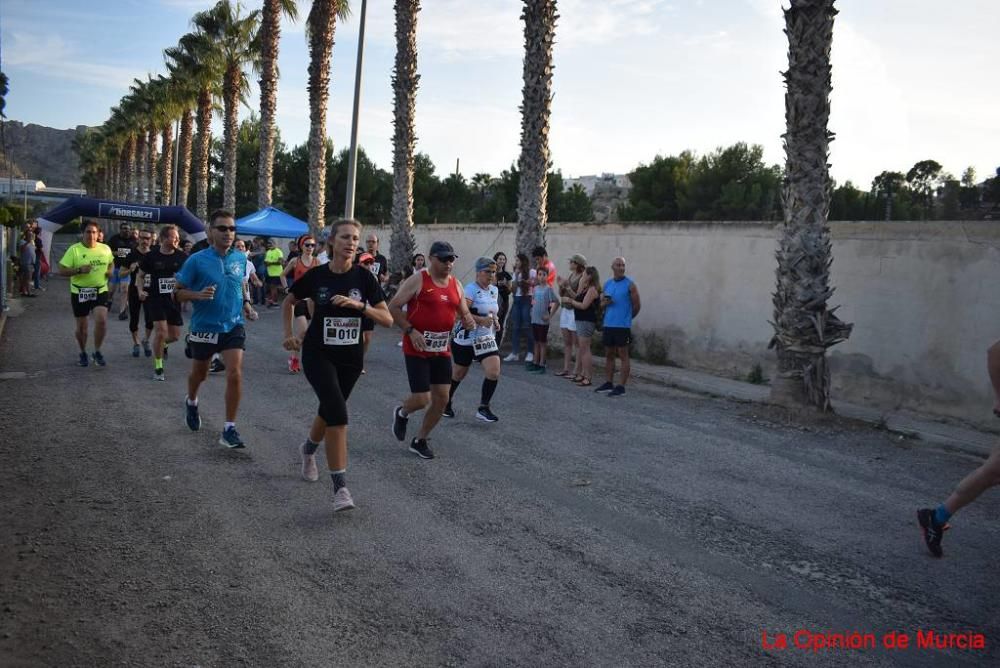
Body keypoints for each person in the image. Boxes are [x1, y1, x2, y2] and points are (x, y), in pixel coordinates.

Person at [282, 220, 392, 512]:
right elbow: (289, 302)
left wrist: (359, 307)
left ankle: (308, 450)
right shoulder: (317, 276)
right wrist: (289, 336)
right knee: (338, 413)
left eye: (355, 238)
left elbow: (387, 319)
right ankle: (340, 488)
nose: (352, 243)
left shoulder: (365, 278)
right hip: (318, 354)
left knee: (329, 408)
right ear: (331, 241)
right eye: (345, 237)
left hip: (351, 359)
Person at [174, 210, 255, 448]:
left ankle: (229, 428)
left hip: (233, 325)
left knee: (235, 373)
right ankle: (191, 401)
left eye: (231, 229)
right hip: (204, 326)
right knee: (200, 374)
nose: (228, 233)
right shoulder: (196, 260)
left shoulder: (240, 258)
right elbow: (176, 292)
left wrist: (247, 305)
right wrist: (197, 295)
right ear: (211, 232)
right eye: (222, 228)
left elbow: (241, 284)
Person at [389, 241, 476, 459]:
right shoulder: (419, 279)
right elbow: (393, 307)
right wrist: (410, 330)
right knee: (421, 399)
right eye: (444, 259)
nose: (449, 263)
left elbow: (463, 312)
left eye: (451, 259)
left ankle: (420, 440)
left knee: (442, 399)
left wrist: (468, 320)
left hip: (441, 349)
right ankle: (402, 412)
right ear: (432, 259)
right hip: (417, 346)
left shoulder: (456, 285)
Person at [443, 257, 503, 422]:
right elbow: (459, 313)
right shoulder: (470, 290)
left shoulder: (494, 290)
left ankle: (484, 407)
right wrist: (480, 320)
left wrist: (495, 321)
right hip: (466, 338)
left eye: (493, 272)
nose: (491, 275)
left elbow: (492, 311)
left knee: (494, 371)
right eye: (488, 271)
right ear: (478, 272)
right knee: (459, 373)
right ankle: (445, 401)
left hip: (485, 338)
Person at [57, 220, 114, 367]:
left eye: (94, 232)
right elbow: (61, 270)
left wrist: (110, 271)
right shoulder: (74, 250)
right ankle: (82, 352)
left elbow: (111, 262)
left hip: (100, 289)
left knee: (101, 320)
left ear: (98, 234)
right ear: (83, 234)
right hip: (80, 291)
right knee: (82, 327)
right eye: (88, 232)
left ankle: (97, 351)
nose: (91, 235)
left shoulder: (105, 249)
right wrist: (78, 270)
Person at [137, 225, 186, 381]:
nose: (177, 240)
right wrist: (140, 290)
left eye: (178, 237)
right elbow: (140, 275)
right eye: (174, 237)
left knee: (175, 336)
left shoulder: (182, 256)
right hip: (155, 299)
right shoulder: (151, 256)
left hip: (173, 300)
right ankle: (158, 367)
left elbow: (189, 276)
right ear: (164, 238)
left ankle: (163, 345)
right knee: (161, 332)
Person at [595, 257, 641, 397]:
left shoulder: (630, 285)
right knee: (609, 354)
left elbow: (637, 305)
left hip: (622, 326)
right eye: (618, 265)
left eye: (623, 265)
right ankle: (609, 383)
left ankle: (621, 386)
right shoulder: (607, 284)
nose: (621, 267)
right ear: (612, 267)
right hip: (609, 324)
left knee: (623, 355)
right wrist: (605, 304)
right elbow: (600, 304)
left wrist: (627, 318)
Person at [280, 234, 321, 373]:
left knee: (316, 332)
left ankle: (316, 360)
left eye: (312, 245)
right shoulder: (295, 261)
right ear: (301, 246)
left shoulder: (317, 262)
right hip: (299, 301)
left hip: (313, 301)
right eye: (307, 245)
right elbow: (282, 275)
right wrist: (286, 288)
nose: (310, 247)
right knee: (303, 331)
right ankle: (294, 359)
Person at [563, 266, 601, 387]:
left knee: (585, 350)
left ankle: (588, 376)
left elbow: (584, 306)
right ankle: (584, 374)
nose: (582, 276)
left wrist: (570, 301)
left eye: (584, 274)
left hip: (586, 321)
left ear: (590, 276)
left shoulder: (592, 290)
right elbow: (578, 297)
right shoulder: (586, 288)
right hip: (581, 321)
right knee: (583, 349)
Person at [124, 228, 155, 357]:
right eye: (142, 238)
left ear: (151, 240)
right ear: (138, 239)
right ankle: (136, 343)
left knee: (150, 319)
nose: (144, 241)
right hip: (134, 290)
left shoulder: (155, 254)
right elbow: (120, 273)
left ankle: (146, 340)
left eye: (147, 238)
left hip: (150, 290)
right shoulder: (131, 254)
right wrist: (130, 270)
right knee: (134, 318)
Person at [555, 254, 586, 377]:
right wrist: (560, 286)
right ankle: (566, 368)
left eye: (572, 262)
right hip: (565, 310)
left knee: (576, 343)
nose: (570, 264)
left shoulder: (582, 278)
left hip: (574, 311)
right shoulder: (571, 275)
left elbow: (577, 297)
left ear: (577, 264)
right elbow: (562, 294)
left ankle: (576, 371)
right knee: (567, 341)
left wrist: (567, 287)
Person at [503, 253, 535, 363]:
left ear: (523, 261)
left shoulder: (531, 272)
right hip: (517, 300)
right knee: (516, 327)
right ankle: (515, 353)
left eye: (517, 261)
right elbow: (513, 290)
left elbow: (536, 284)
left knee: (527, 326)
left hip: (526, 299)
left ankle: (531, 352)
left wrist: (528, 283)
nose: (516, 263)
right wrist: (516, 277)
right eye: (515, 261)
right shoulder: (515, 273)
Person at [528, 265, 560, 373]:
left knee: (542, 342)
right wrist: (531, 311)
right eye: (540, 274)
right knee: (536, 341)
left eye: (544, 275)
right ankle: (535, 362)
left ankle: (542, 364)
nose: (541, 277)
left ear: (547, 276)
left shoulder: (548, 289)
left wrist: (549, 315)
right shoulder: (535, 289)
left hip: (543, 321)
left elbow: (557, 302)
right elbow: (533, 302)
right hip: (535, 319)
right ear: (537, 276)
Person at [106, 222, 136, 320]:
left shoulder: (134, 240)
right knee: (111, 290)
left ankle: (122, 311)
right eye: (124, 228)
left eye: (127, 229)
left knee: (124, 289)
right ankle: (109, 300)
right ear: (120, 229)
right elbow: (107, 251)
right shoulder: (114, 239)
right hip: (115, 267)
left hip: (126, 269)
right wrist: (120, 252)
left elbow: (137, 252)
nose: (126, 230)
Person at [493, 252, 512, 346]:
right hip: (492, 302)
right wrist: (495, 284)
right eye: (500, 259)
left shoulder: (507, 275)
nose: (502, 261)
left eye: (503, 259)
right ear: (495, 260)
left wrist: (504, 284)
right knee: (491, 323)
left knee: (500, 323)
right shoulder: (491, 273)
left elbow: (509, 291)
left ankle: (497, 346)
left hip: (503, 302)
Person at [263, 238, 284, 307]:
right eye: (268, 244)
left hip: (277, 273)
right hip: (270, 273)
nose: (269, 245)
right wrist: (266, 263)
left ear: (275, 244)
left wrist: (270, 263)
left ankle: (275, 302)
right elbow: (265, 262)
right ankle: (273, 301)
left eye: (271, 243)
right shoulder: (268, 252)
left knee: (274, 287)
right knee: (271, 287)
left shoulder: (278, 251)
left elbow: (280, 262)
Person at [17, 228, 36, 297]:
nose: (30, 236)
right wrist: (27, 242)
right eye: (29, 234)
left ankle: (24, 291)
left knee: (26, 278)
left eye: (31, 234)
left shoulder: (32, 242)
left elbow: (33, 251)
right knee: (28, 278)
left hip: (31, 262)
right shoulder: (22, 241)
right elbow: (22, 250)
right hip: (26, 262)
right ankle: (29, 292)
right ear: (25, 235)